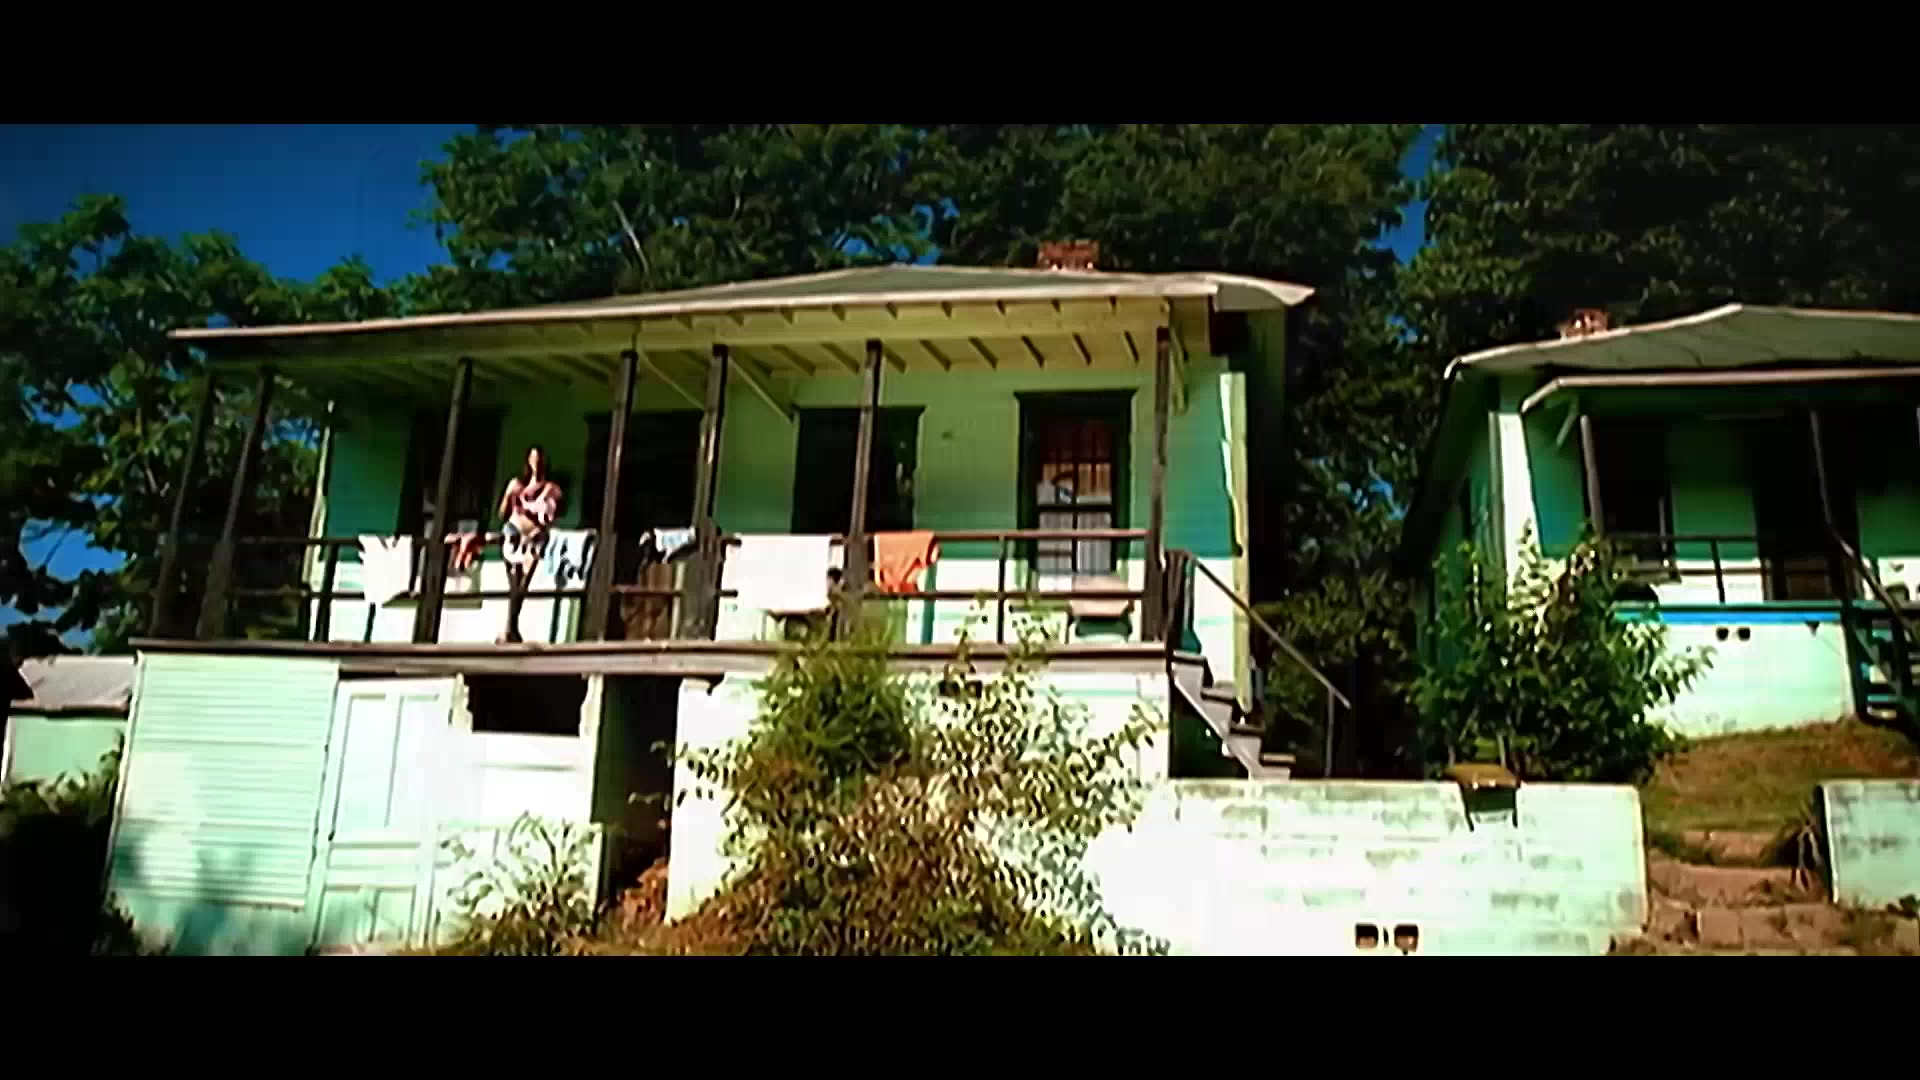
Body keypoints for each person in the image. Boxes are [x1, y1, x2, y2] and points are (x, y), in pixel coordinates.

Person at [497, 445, 563, 643]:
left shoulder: (550, 488)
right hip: (513, 533)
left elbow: (553, 515)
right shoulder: (517, 484)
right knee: (513, 582)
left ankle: (511, 628)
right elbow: (502, 513)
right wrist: (508, 494)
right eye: (533, 458)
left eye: (540, 458)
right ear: (528, 461)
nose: (537, 462)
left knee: (523, 583)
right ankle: (510, 629)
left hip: (534, 537)